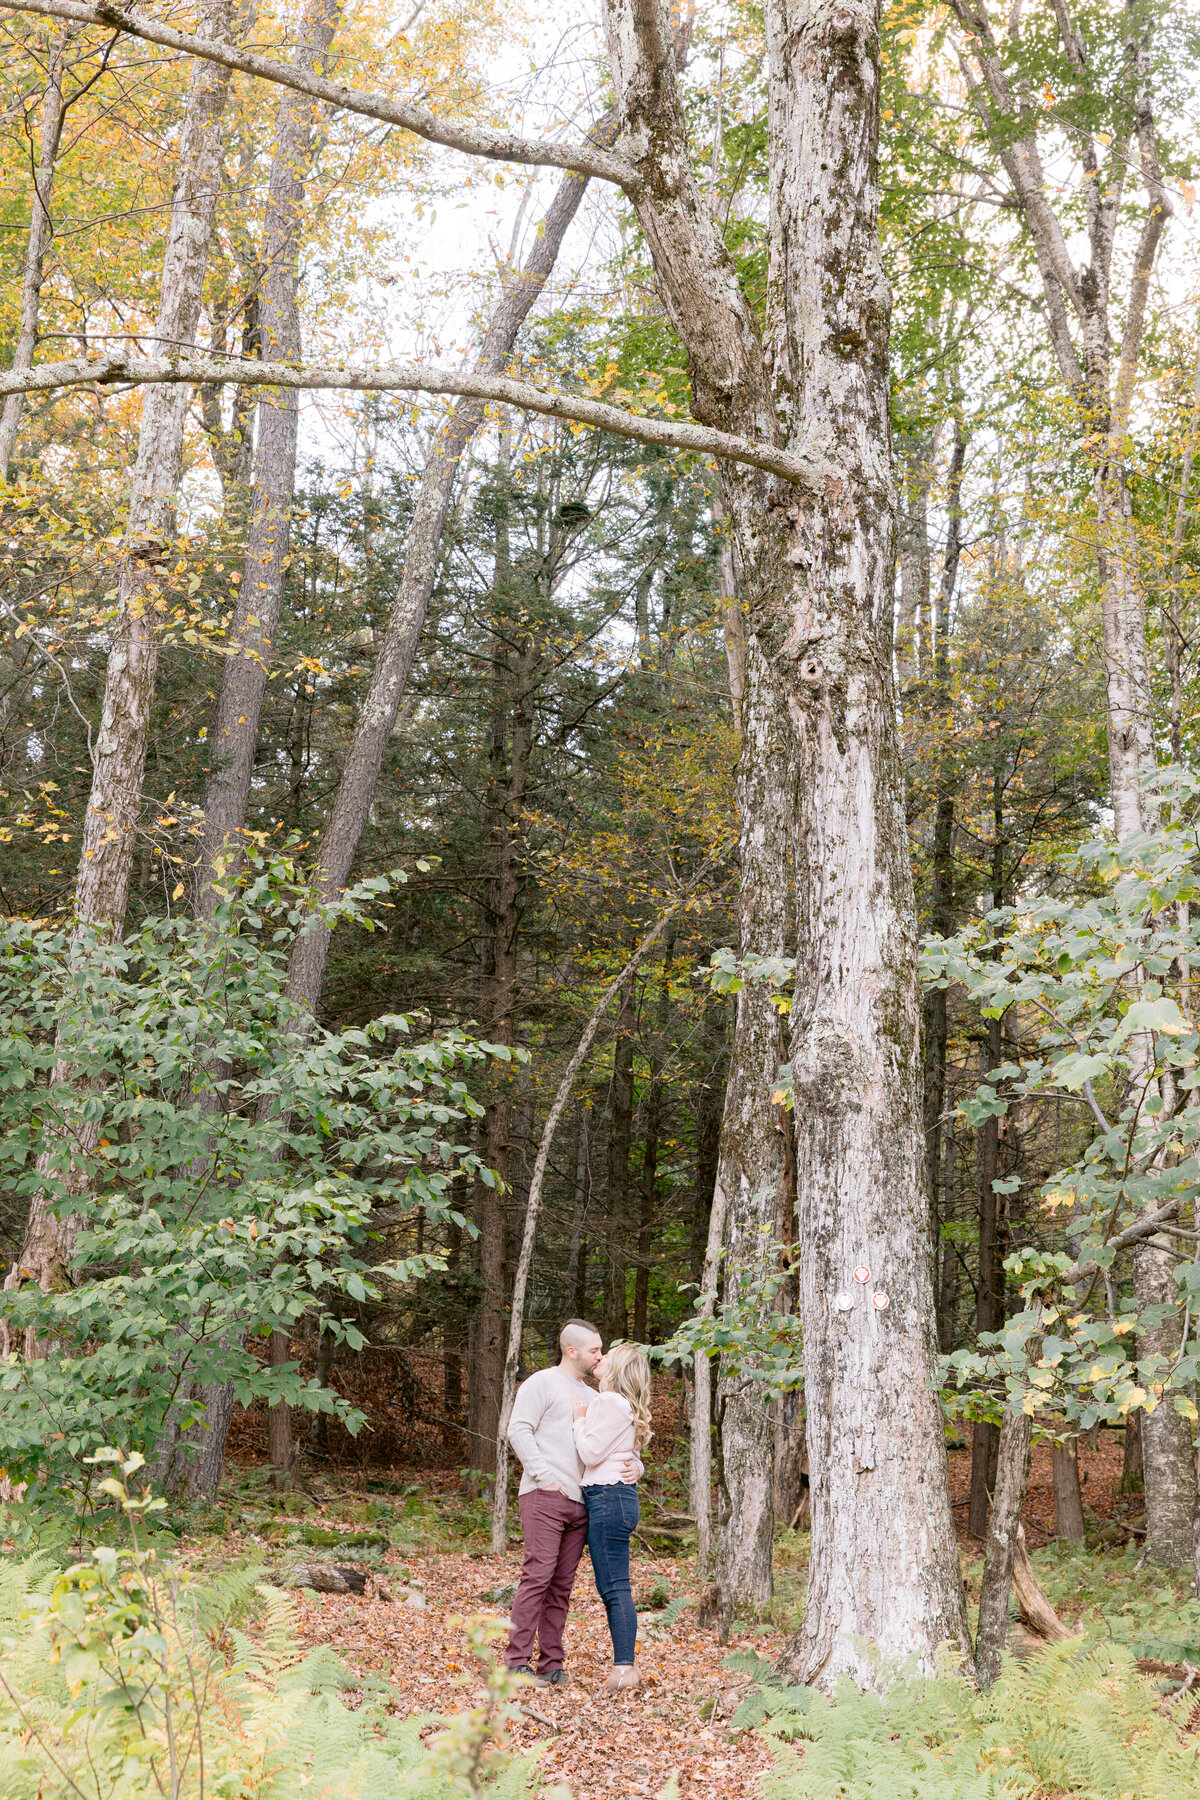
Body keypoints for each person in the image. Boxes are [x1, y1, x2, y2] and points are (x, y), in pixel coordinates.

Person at [504, 1319, 640, 1686]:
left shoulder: (598, 1398)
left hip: (585, 1503)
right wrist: (545, 1477)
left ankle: (551, 1665)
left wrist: (636, 1465)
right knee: (538, 1575)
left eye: (601, 1350)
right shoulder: (542, 1383)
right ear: (572, 1351)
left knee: (562, 1585)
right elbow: (518, 1429)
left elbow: (617, 1442)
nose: (600, 1356)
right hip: (544, 1496)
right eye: (594, 1350)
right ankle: (516, 1663)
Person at [572, 1341, 653, 1694]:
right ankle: (626, 1665)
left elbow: (590, 1452)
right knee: (614, 1586)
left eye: (608, 1356)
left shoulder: (608, 1401)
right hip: (619, 1497)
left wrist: (578, 1422)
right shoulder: (625, 1406)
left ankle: (625, 1668)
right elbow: (626, 1454)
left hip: (607, 1497)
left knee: (615, 1587)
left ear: (618, 1370)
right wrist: (637, 1465)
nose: (600, 1358)